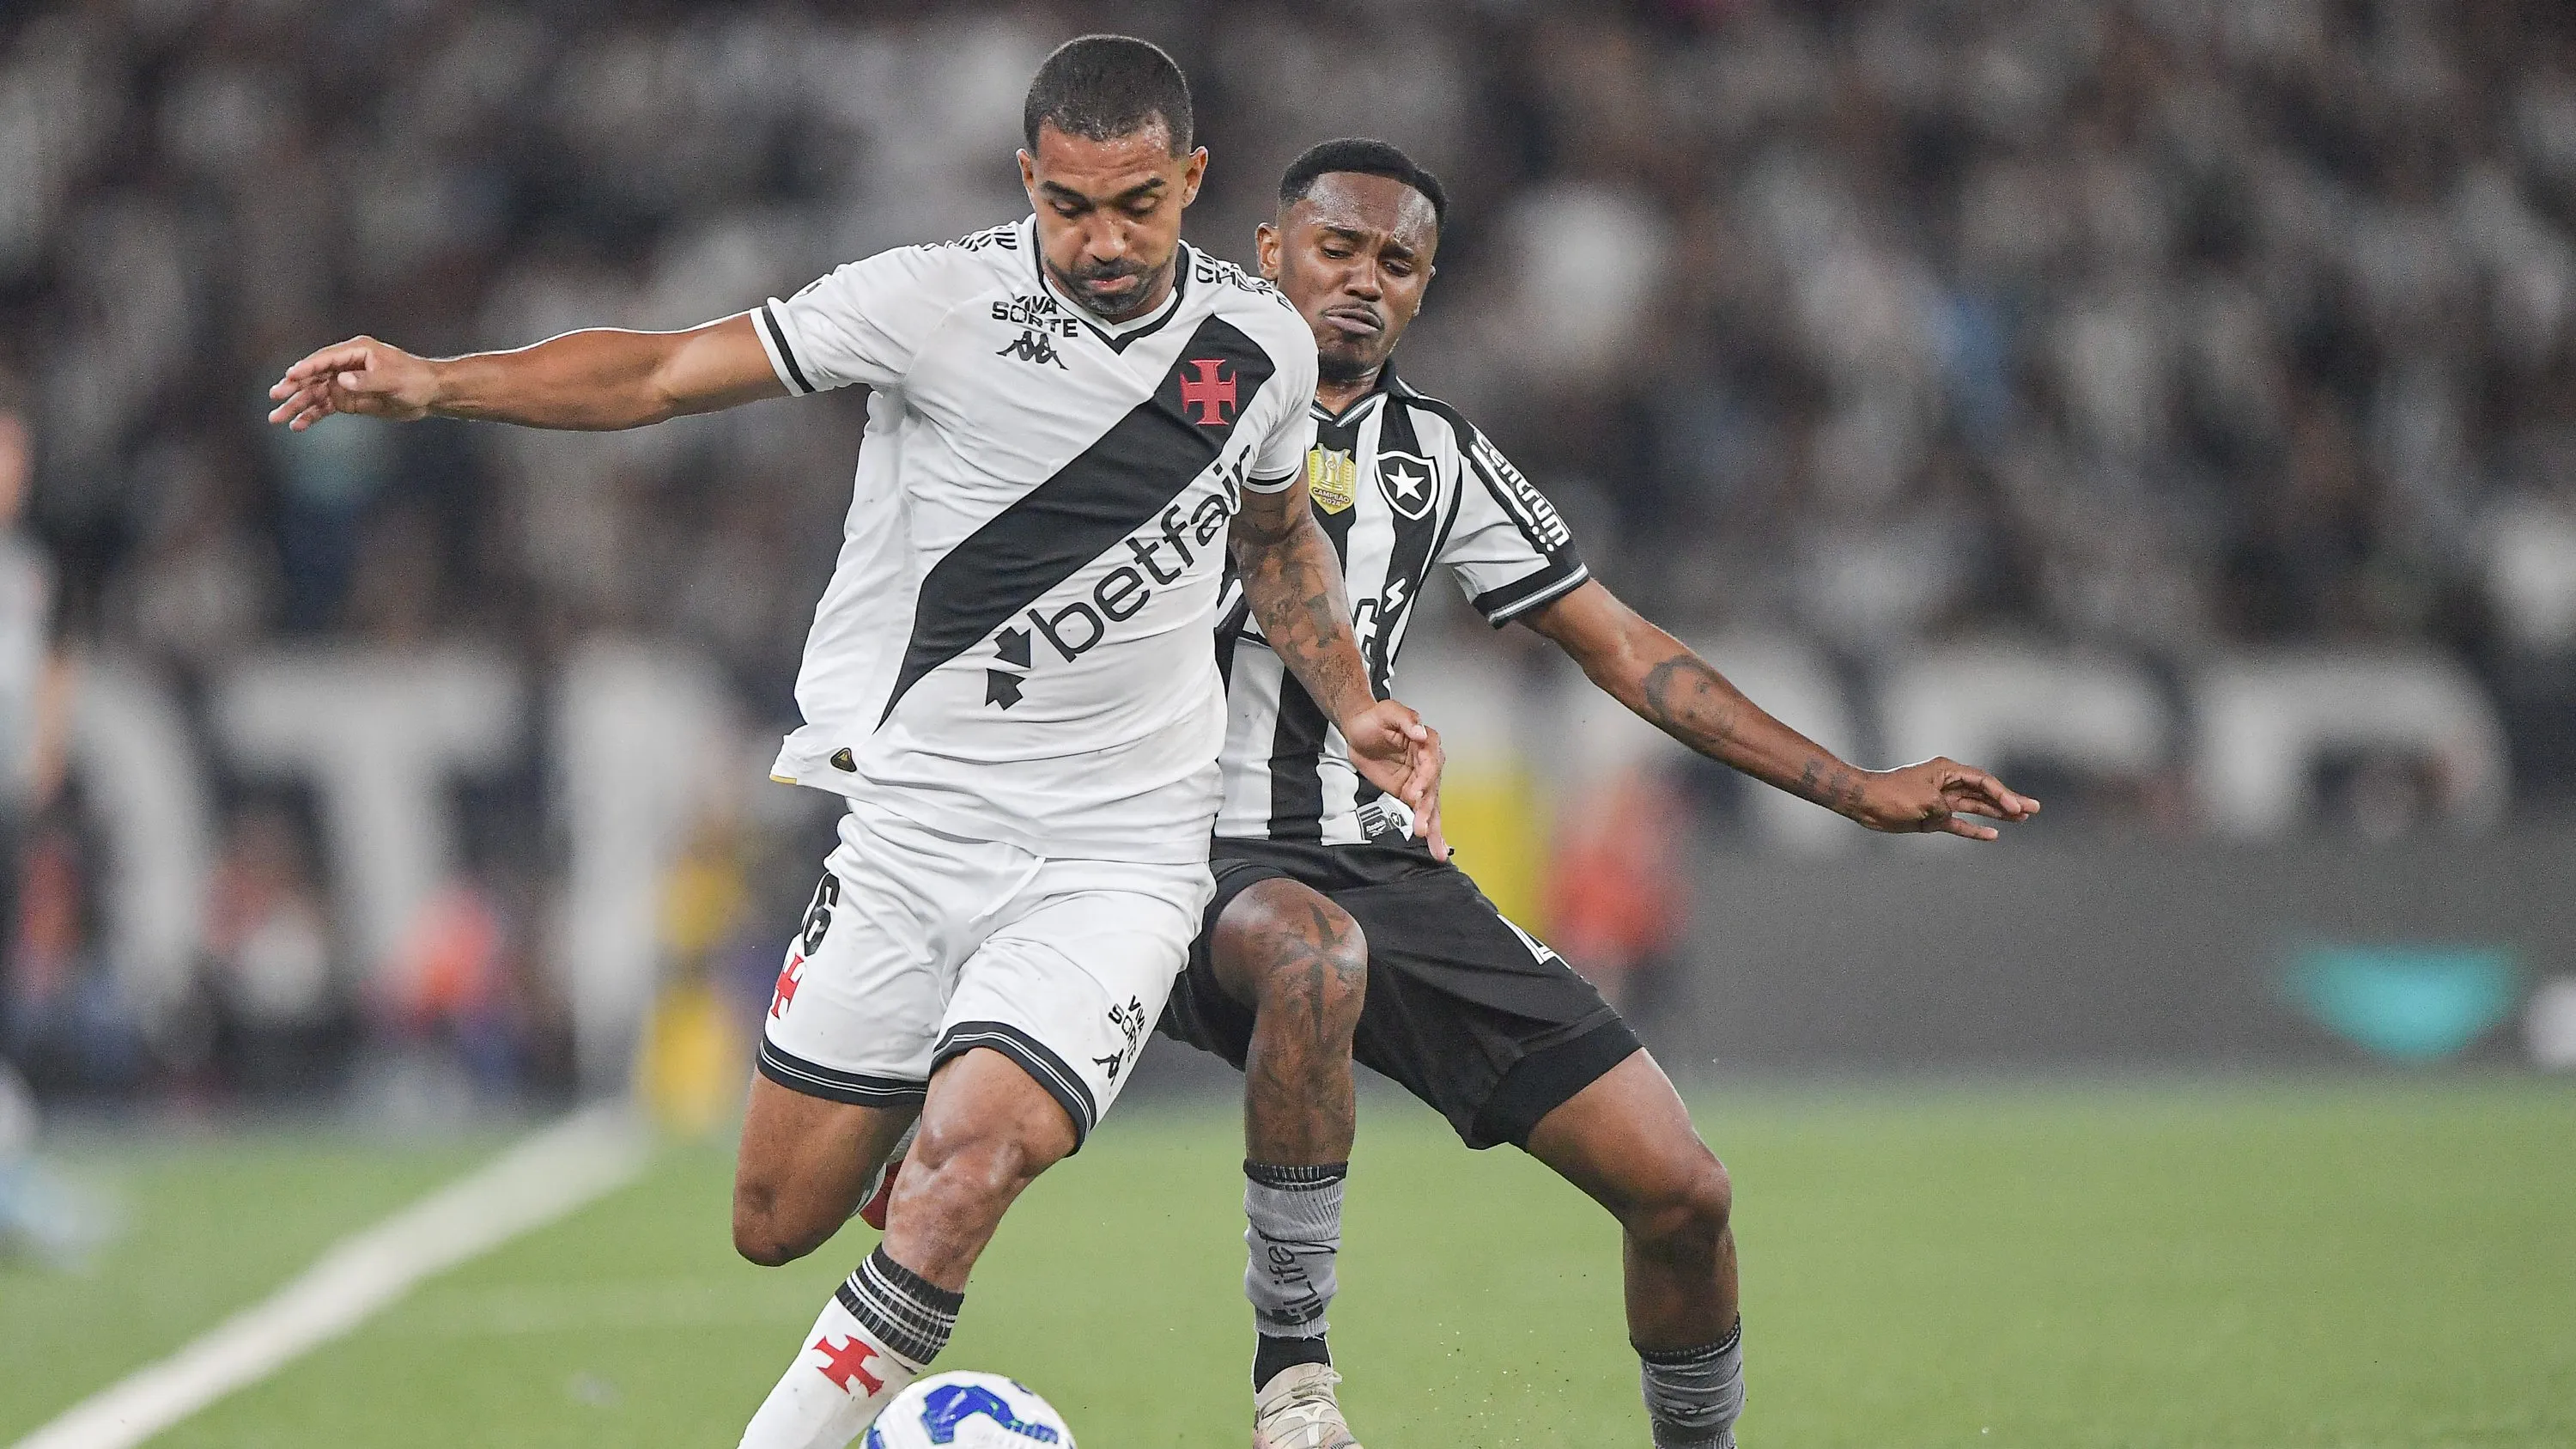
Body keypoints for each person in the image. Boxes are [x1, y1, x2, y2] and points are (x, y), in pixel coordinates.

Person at [265, 40, 1444, 1449]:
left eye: (1139, 203)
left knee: (971, 1164)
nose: (1107, 239)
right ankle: (923, 1133)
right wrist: (437, 383)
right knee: (775, 1219)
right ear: (1027, 180)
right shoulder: (926, 301)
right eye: (1072, 205)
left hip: (1117, 851)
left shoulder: (1262, 345)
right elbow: (657, 373)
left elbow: (1275, 537)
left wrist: (1355, 695)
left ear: (1192, 179)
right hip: (911, 833)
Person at [1156, 139, 2041, 1448]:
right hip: (1171, 855)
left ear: (1426, 289)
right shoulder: (1163, 396)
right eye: (1335, 247)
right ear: (1268, 249)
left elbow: (1624, 646)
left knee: (1683, 1191)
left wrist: (1853, 789)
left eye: (1395, 262)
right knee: (1306, 951)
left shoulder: (1438, 457)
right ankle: (1294, 1381)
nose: (1361, 281)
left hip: (1378, 866)